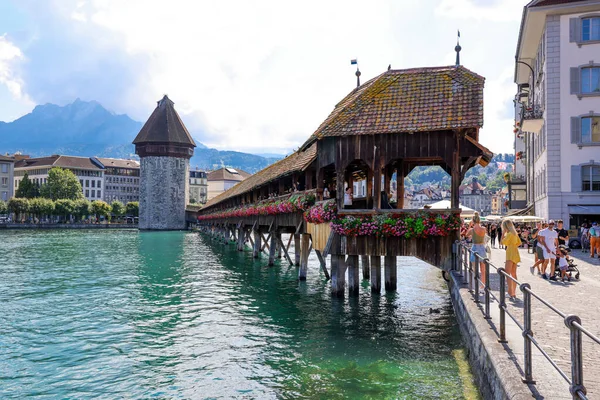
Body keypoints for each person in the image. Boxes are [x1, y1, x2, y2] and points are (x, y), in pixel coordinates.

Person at [501, 219, 521, 300]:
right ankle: (513, 292)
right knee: (514, 273)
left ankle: (510, 292)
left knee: (507, 273)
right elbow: (519, 243)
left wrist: (503, 233)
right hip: (515, 252)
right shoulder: (515, 233)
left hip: (510, 252)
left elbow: (502, 242)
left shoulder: (509, 234)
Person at [467, 212, 488, 289]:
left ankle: (476, 286)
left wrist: (469, 226)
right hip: (482, 248)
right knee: (483, 270)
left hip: (475, 248)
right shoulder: (484, 229)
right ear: (479, 220)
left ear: (473, 221)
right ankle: (482, 286)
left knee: (475, 270)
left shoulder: (472, 230)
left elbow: (466, 235)